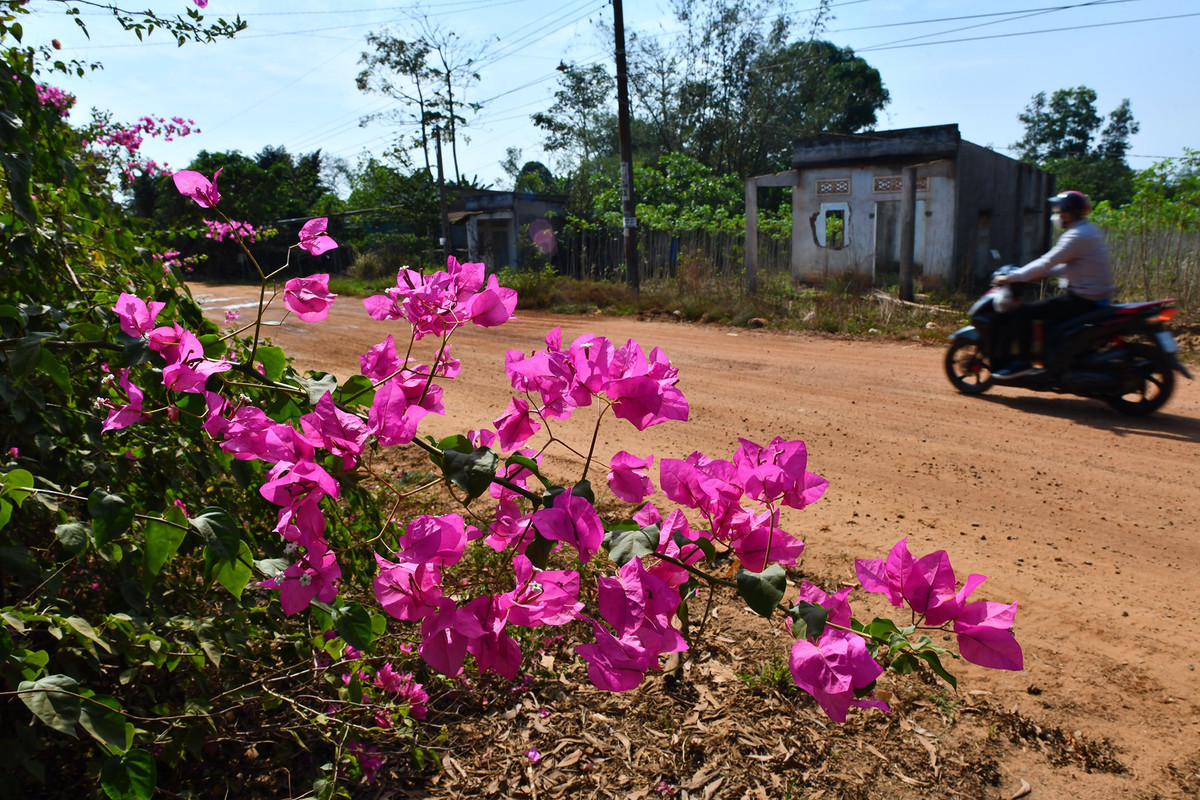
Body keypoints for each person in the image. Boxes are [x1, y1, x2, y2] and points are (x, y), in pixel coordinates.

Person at [991, 190, 1115, 378]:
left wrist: (1012, 277)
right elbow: (1070, 265)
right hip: (1096, 298)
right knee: (1048, 321)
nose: (1057, 215)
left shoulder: (1075, 235)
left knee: (1021, 312)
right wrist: (1040, 274)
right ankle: (1053, 362)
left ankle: (1023, 363)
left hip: (1082, 300)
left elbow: (1047, 261)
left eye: (1060, 210)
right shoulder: (1088, 231)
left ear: (1070, 213)